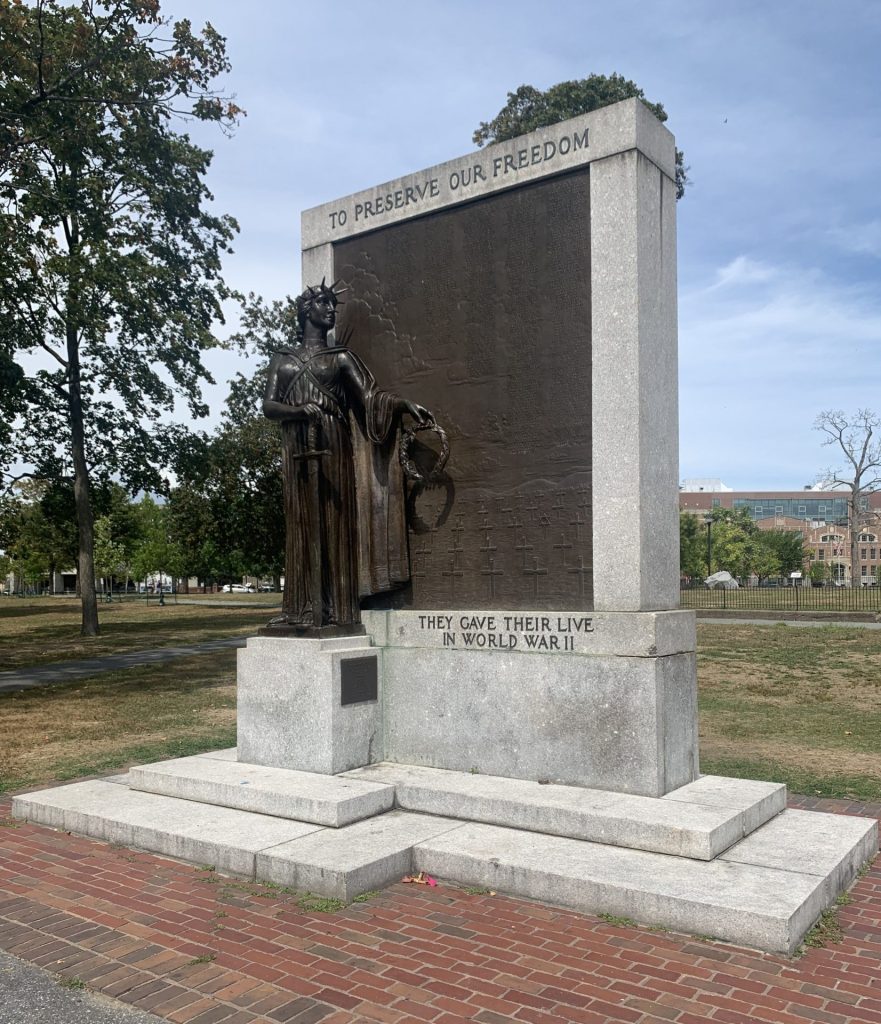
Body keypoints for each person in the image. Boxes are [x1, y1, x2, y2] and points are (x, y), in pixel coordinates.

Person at [262, 279, 431, 632]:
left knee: (332, 520)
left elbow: (370, 399)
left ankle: (336, 609)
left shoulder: (340, 357)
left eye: (331, 306)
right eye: (324, 304)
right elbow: (269, 405)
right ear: (307, 310)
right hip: (295, 447)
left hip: (332, 444)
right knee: (301, 522)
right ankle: (301, 608)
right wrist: (299, 411)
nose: (330, 311)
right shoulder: (283, 358)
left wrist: (402, 404)